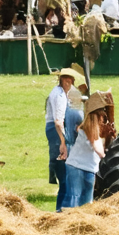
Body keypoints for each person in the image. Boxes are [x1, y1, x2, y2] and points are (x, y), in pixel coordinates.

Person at [63, 91, 112, 210]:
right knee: (74, 202)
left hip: (89, 169)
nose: (103, 119)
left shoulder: (92, 130)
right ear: (96, 116)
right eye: (102, 116)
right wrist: (105, 155)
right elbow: (98, 148)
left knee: (87, 204)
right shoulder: (88, 130)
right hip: (77, 168)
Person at [46, 68, 80, 210]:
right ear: (61, 79)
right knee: (65, 177)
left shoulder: (61, 94)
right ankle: (62, 210)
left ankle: (64, 209)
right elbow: (58, 121)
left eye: (70, 79)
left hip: (56, 132)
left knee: (65, 175)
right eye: (65, 78)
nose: (68, 81)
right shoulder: (59, 95)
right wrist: (63, 142)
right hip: (57, 132)